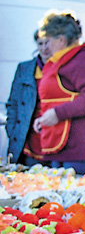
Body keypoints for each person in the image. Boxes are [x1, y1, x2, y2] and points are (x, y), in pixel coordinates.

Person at [28, 11, 85, 175]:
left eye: (49, 41)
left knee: (74, 197)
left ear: (61, 40)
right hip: (61, 143)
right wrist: (45, 117)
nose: (46, 47)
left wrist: (57, 113)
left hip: (78, 148)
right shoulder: (63, 59)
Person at [6, 30, 52, 165]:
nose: (44, 48)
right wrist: (13, 131)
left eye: (47, 43)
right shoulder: (24, 68)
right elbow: (13, 103)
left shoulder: (64, 69)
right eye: (40, 44)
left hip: (52, 138)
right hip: (27, 138)